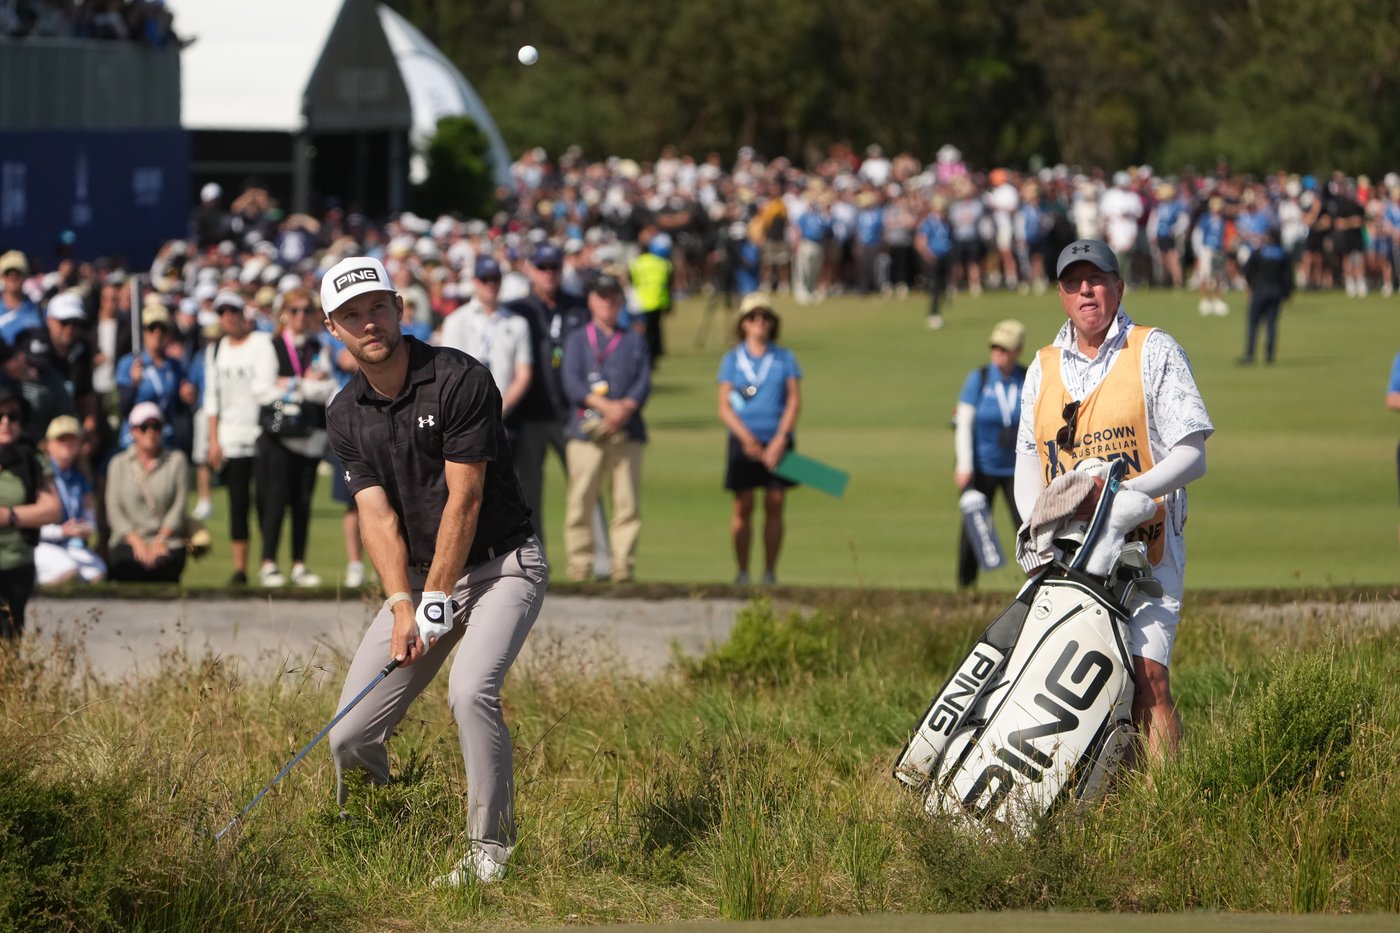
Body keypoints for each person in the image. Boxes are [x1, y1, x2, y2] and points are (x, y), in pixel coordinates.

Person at [319, 256, 546, 887]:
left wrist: (436, 599)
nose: (369, 323)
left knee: (469, 691)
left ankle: (490, 851)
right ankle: (379, 836)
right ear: (332, 328)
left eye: (377, 307)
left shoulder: (458, 378)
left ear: (399, 308)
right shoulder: (344, 413)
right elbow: (377, 517)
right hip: (420, 583)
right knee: (349, 735)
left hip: (503, 565)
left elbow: (464, 499)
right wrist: (403, 605)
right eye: (351, 315)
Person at [1015, 239, 1213, 763]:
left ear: (1118, 287)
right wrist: (1035, 527)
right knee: (1072, 686)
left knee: (1149, 677)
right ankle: (1100, 799)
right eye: (1074, 282)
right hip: (1068, 551)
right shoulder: (1041, 366)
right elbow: (1028, 460)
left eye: (1097, 279)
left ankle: (1163, 800)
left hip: (1146, 545)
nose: (1086, 291)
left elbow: (1192, 454)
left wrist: (1120, 496)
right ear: (1061, 295)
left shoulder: (1153, 349)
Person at [559, 270, 652, 583]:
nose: (607, 302)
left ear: (621, 301)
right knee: (580, 500)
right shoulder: (577, 339)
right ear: (591, 300)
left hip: (626, 429)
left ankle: (623, 564)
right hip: (585, 430)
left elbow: (643, 383)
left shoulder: (634, 340)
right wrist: (605, 407)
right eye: (601, 296)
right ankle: (579, 564)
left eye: (612, 297)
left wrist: (623, 409)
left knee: (626, 501)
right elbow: (571, 383)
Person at [716, 292, 802, 585]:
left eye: (765, 317)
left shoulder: (784, 357)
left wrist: (780, 439)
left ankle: (769, 572)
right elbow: (724, 406)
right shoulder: (732, 360)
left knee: (775, 502)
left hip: (777, 438)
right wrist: (747, 439)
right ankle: (742, 572)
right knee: (743, 504)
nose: (759, 322)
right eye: (753, 317)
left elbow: (793, 401)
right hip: (743, 439)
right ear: (743, 323)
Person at [255, 288, 334, 587]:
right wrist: (303, 384)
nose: (301, 316)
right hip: (279, 436)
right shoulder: (271, 345)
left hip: (311, 436)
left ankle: (299, 564)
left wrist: (290, 384)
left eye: (306, 310)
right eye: (295, 310)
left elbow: (327, 388)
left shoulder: (318, 346)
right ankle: (268, 563)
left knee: (303, 502)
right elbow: (263, 391)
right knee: (275, 500)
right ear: (284, 314)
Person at [204, 290, 279, 586]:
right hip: (231, 437)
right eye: (222, 313)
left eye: (232, 311)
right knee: (237, 504)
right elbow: (212, 398)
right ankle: (240, 569)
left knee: (264, 502)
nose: (227, 317)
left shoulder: (261, 343)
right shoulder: (216, 350)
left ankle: (267, 563)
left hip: (261, 434)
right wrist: (213, 439)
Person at [954, 320, 1027, 588]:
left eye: (1004, 349)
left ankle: (1038, 584)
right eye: (995, 348)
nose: (998, 354)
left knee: (1028, 528)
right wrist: (964, 465)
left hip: (1018, 470)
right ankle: (965, 587)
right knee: (974, 527)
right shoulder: (980, 378)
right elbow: (964, 423)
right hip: (983, 467)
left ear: (1017, 351)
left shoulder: (1028, 378)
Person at [437, 256, 533, 425]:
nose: (491, 284)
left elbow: (523, 373)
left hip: (507, 416)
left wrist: (502, 407)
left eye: (495, 278)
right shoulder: (456, 320)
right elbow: (448, 372)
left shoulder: (518, 323)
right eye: (485, 279)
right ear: (474, 281)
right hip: (466, 415)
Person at [105, 401, 190, 584]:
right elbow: (114, 509)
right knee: (126, 563)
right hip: (127, 539)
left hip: (167, 539)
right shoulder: (118, 463)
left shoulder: (177, 461)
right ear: (133, 431)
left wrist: (161, 538)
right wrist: (135, 540)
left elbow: (180, 505)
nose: (150, 432)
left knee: (165, 563)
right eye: (144, 427)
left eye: (156, 426)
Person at [0, 387, 61, 638]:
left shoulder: (31, 459)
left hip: (16, 561)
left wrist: (10, 516)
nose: (6, 422)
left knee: (10, 638)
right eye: (0, 416)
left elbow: (52, 509)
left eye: (13, 417)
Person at [34, 415, 106, 586]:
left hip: (71, 544)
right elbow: (30, 525)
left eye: (72, 439)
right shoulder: (38, 473)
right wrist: (61, 531)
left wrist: (86, 528)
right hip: (41, 542)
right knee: (68, 570)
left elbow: (89, 518)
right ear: (48, 443)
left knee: (98, 572)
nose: (67, 444)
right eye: (61, 439)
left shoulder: (79, 477)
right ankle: (36, 591)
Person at [1239, 230, 1294, 365]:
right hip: (1276, 292)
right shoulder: (1283, 254)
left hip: (1259, 290)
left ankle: (1250, 354)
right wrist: (1286, 293)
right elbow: (1288, 276)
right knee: (1272, 324)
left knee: (1253, 324)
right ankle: (1269, 355)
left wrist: (1251, 284)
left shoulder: (1259, 252)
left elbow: (1247, 270)